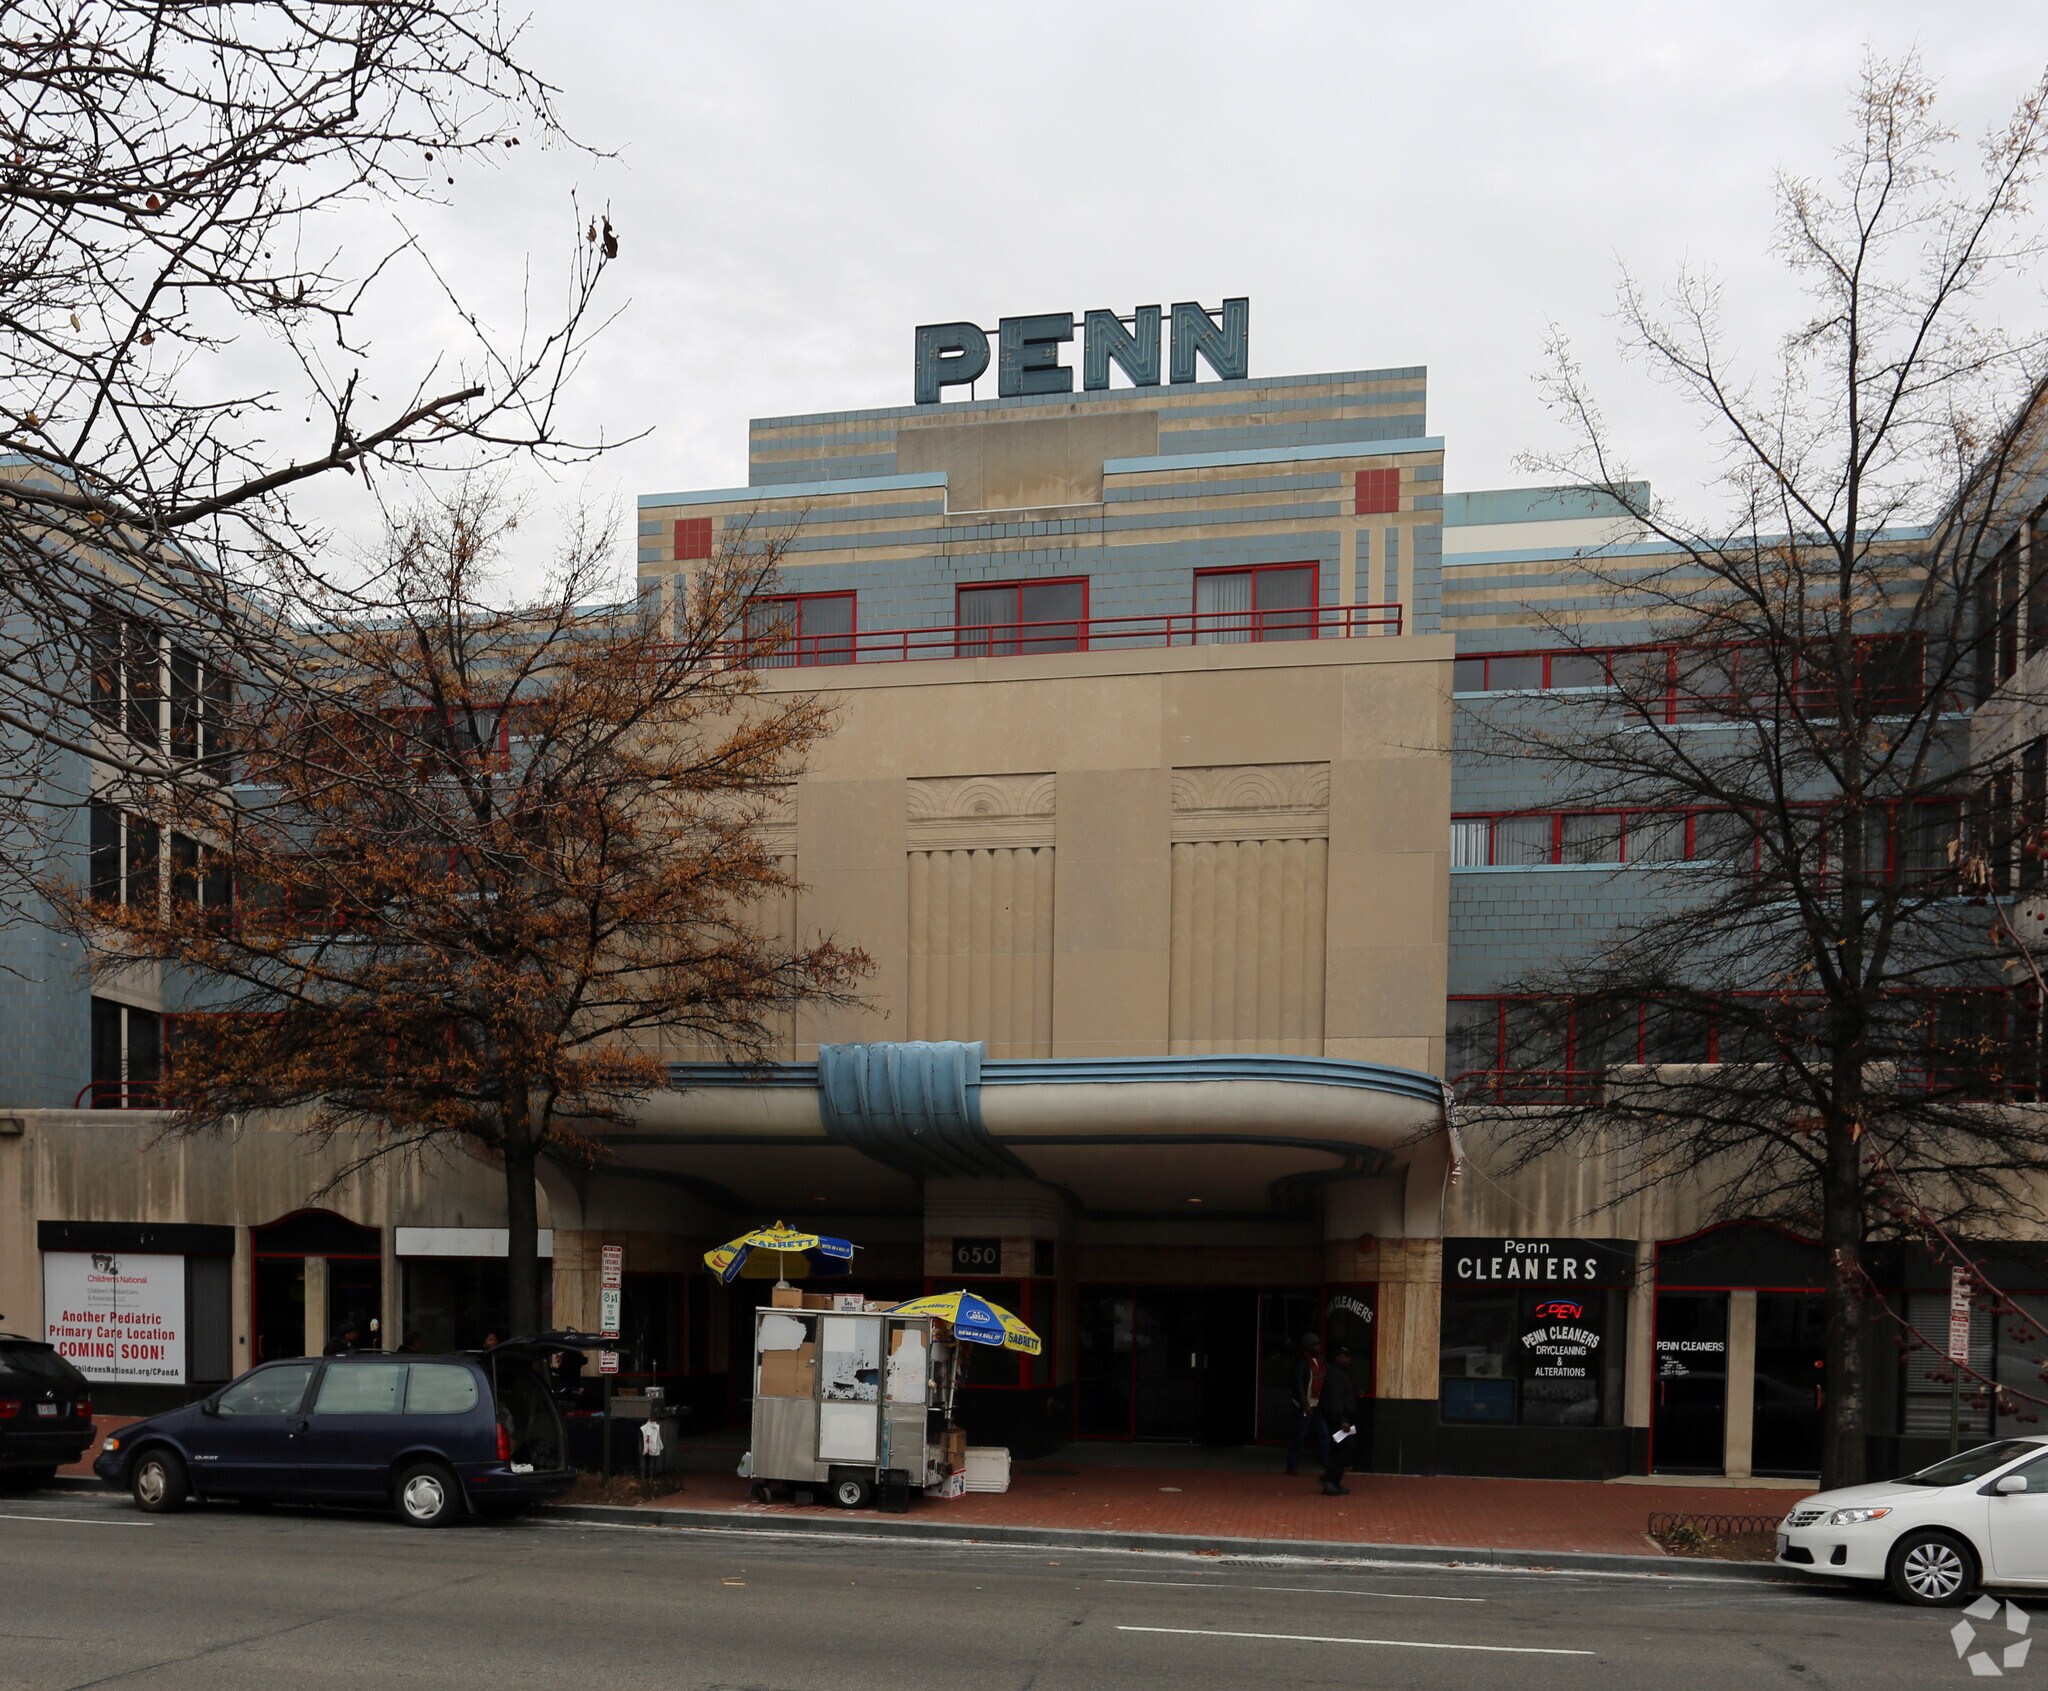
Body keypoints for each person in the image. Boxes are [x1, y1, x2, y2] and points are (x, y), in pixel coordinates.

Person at [1320, 1343, 1361, 1497]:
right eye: (1346, 1356)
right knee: (1342, 1448)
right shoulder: (1336, 1374)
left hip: (1341, 1418)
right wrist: (1341, 1420)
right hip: (1339, 1420)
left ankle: (1333, 1481)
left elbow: (1342, 1395)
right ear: (1338, 1357)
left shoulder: (1340, 1373)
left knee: (1342, 1448)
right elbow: (1335, 1399)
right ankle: (1329, 1480)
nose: (1349, 1359)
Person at [1284, 1333, 1328, 1477]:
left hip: (1318, 1403)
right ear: (1308, 1348)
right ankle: (1291, 1465)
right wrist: (1305, 1405)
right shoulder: (1301, 1363)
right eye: (1315, 1345)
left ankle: (1327, 1462)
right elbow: (1299, 1387)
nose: (1319, 1347)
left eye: (1319, 1344)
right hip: (1304, 1406)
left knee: (1323, 1433)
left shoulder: (1321, 1360)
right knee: (1298, 1435)